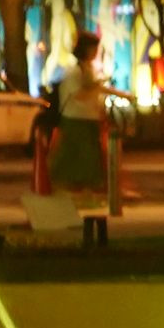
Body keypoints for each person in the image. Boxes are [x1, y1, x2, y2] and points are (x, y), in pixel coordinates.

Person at [51, 28, 119, 224]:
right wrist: (96, 87)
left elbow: (93, 88)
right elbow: (79, 95)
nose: (96, 52)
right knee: (76, 161)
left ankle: (82, 199)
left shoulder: (87, 69)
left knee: (87, 162)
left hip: (87, 121)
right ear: (85, 49)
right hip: (76, 120)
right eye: (93, 48)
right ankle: (71, 200)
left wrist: (118, 94)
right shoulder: (74, 72)